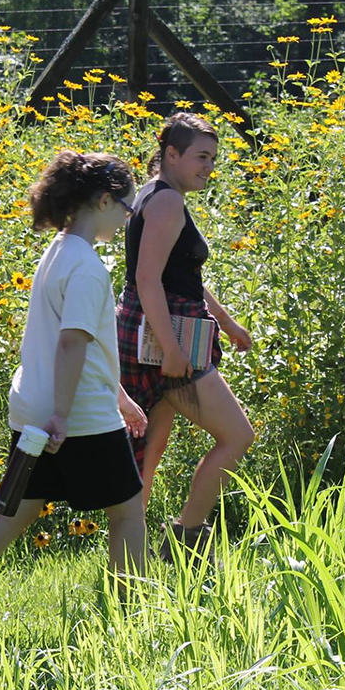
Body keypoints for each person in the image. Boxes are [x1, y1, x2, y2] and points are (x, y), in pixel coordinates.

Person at [0, 151, 148, 634]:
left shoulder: (59, 250)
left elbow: (83, 348)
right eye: (126, 211)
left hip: (36, 410)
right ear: (104, 201)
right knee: (128, 513)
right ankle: (133, 622)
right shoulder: (86, 267)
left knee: (10, 514)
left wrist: (121, 399)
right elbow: (70, 344)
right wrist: (64, 416)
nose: (127, 222)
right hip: (75, 417)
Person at [116, 113, 255, 562]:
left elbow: (182, 276)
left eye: (213, 158)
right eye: (200, 156)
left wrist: (228, 323)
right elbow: (147, 279)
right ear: (170, 154)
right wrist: (173, 350)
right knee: (237, 436)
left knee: (146, 455)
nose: (208, 166)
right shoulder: (166, 202)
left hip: (155, 334)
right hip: (165, 341)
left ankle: (129, 565)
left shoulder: (157, 196)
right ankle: (187, 539)